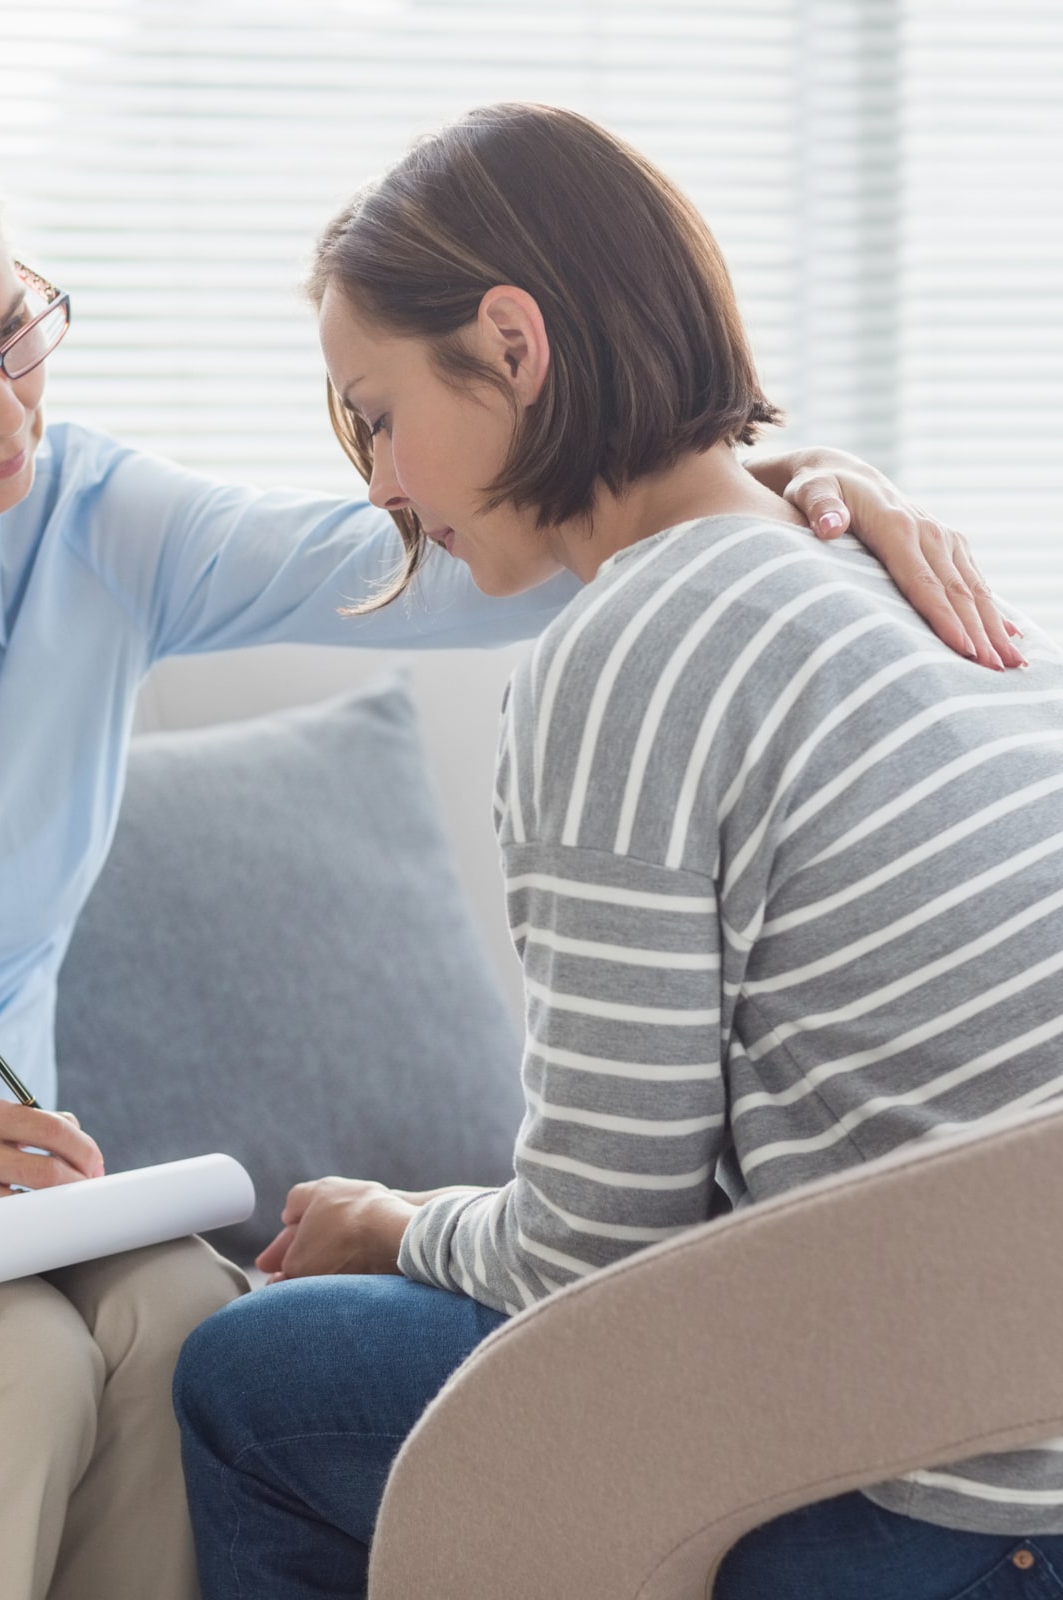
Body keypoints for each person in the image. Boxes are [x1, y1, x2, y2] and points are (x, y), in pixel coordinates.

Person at [0, 94, 1010, 1600]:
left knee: (182, 1327)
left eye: (15, 334)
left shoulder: (84, 527)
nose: (9, 410)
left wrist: (797, 487)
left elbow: (484, 529)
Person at [172, 103, 1063, 1600]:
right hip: (1021, 1404)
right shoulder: (879, 565)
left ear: (513, 344)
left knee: (249, 1379)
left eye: (375, 411)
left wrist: (402, 1225)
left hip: (938, 1498)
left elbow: (588, 1259)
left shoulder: (626, 657)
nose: (380, 485)